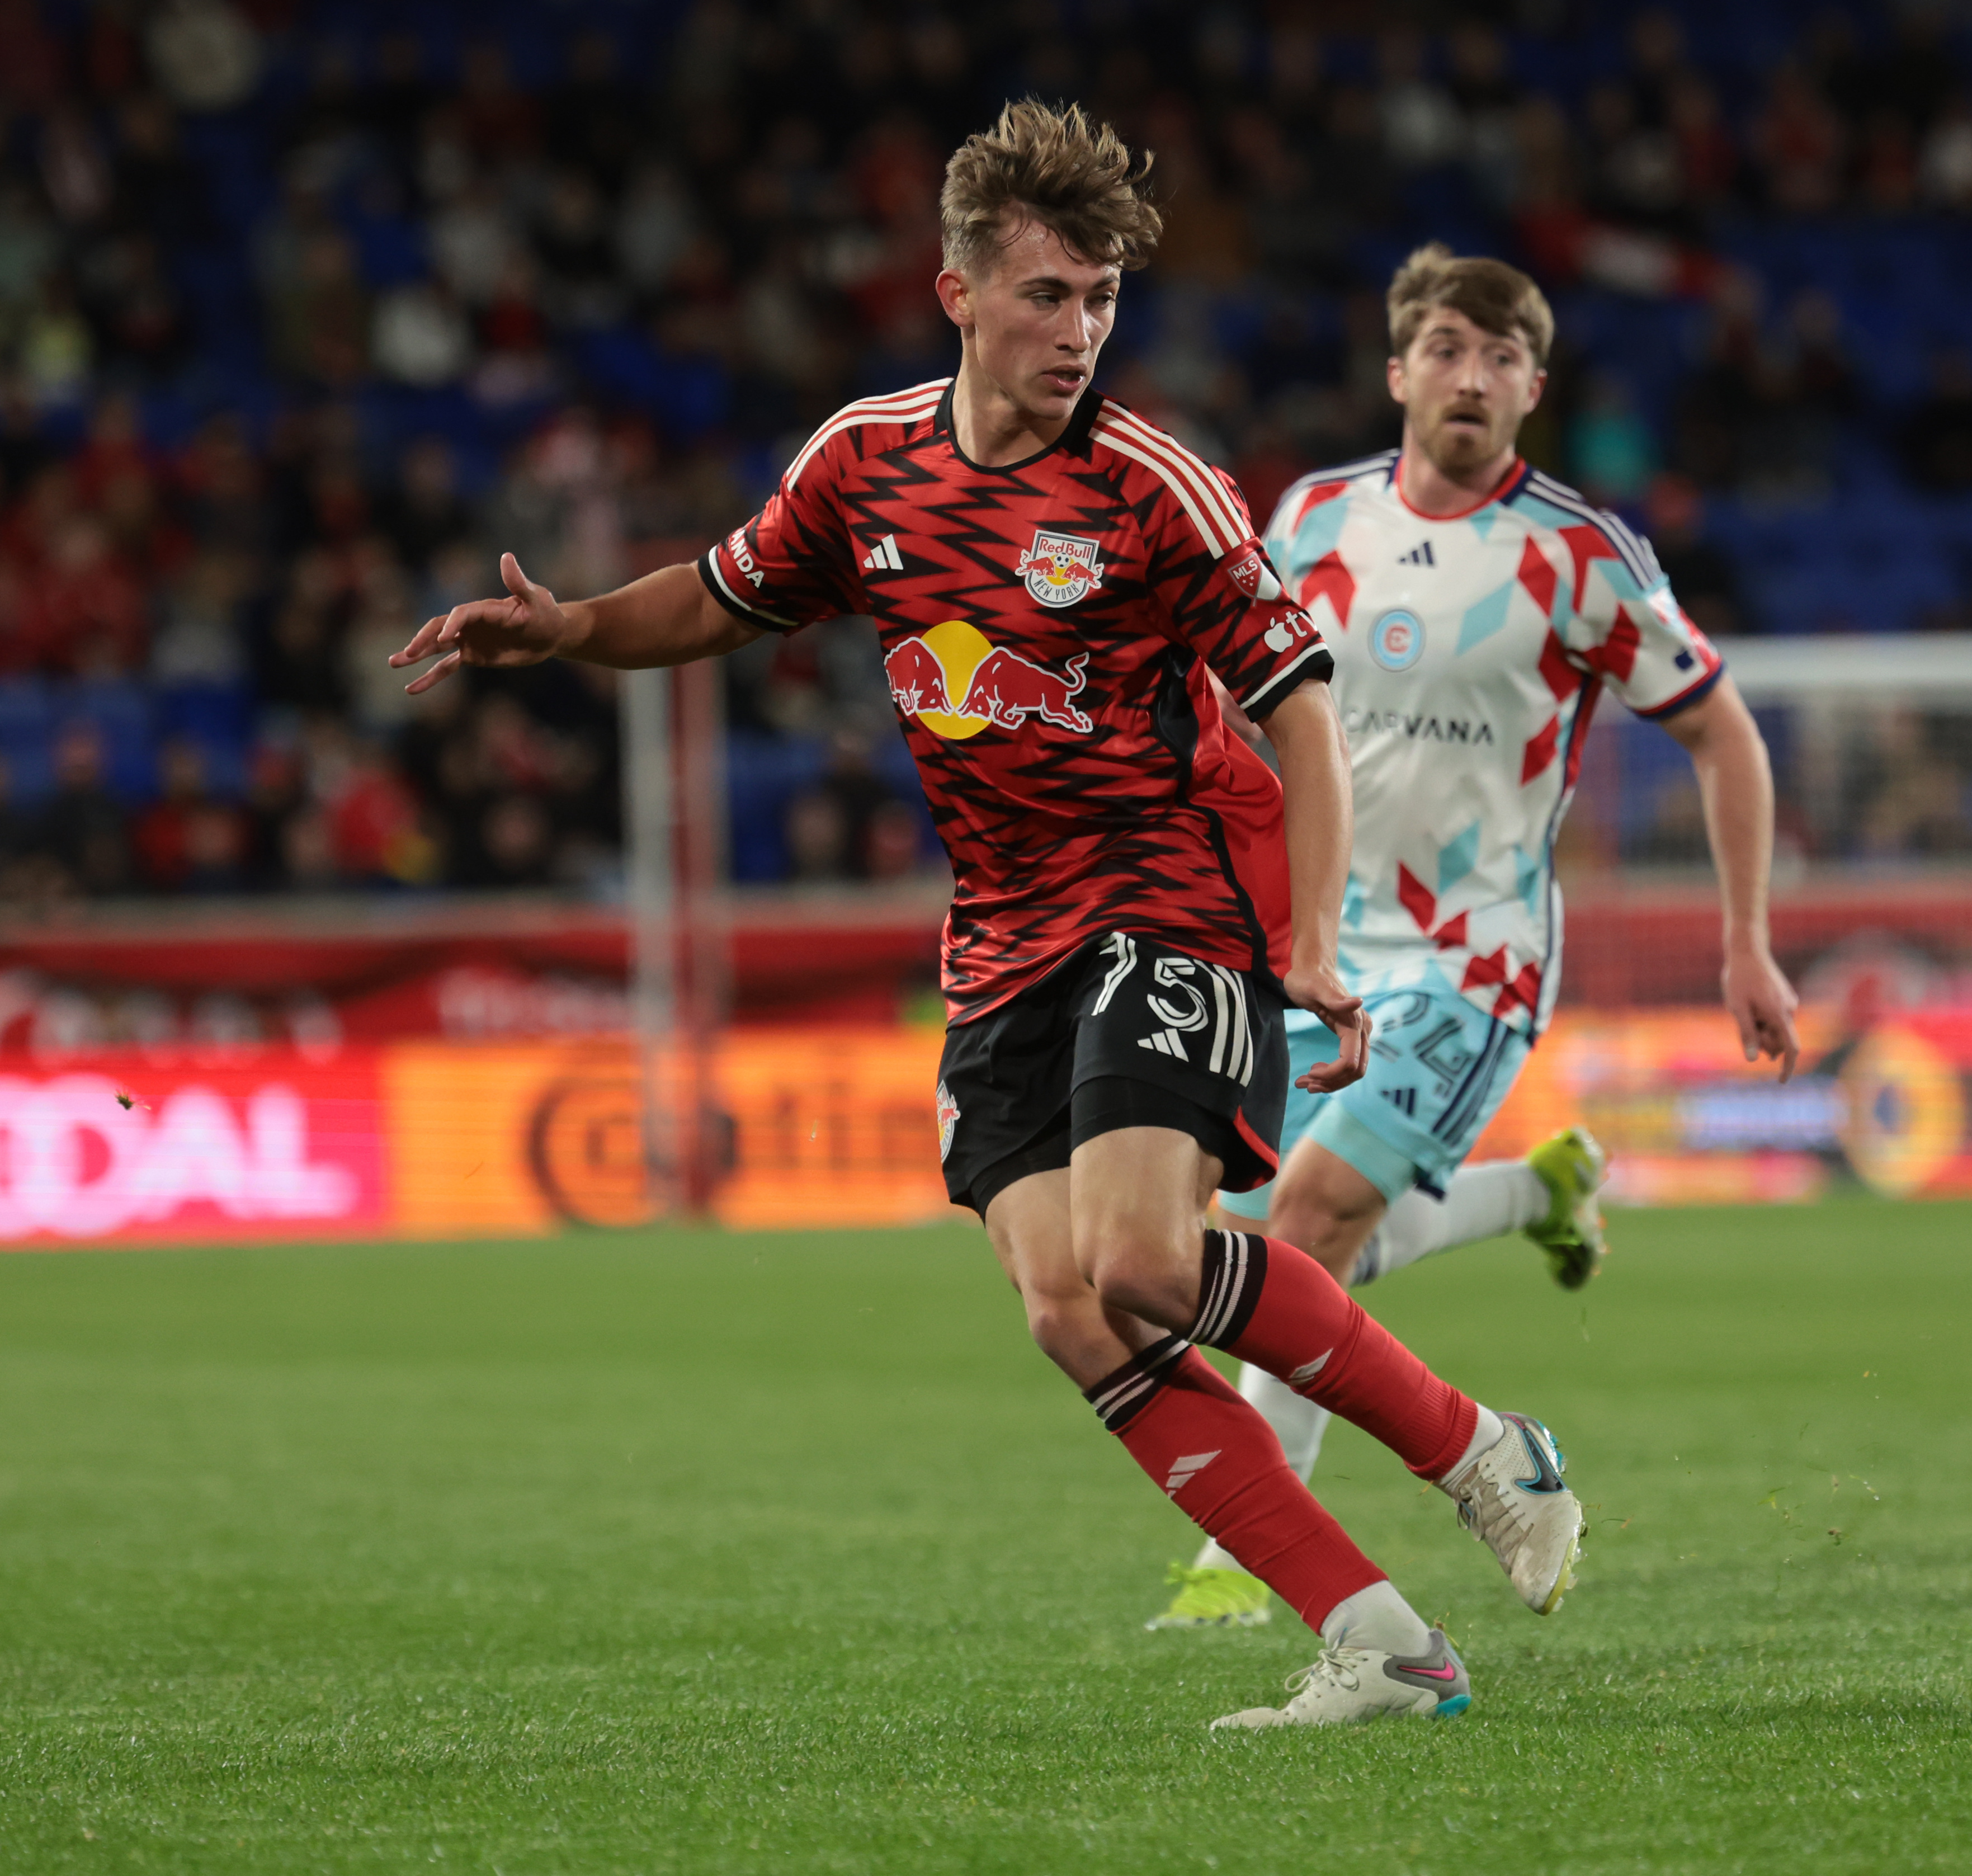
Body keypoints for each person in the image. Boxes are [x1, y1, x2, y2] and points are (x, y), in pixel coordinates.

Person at [389, 102, 1583, 1729]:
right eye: (1046, 297)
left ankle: (1482, 1451)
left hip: (1169, 892)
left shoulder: (1156, 486)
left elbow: (1299, 709)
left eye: (1100, 301)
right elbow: (729, 591)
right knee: (1065, 1306)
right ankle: (1381, 1641)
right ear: (958, 292)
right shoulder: (864, 466)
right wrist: (577, 627)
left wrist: (1305, 938)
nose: (1079, 333)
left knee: (1147, 1260)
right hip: (1003, 933)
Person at [1149, 246, 1798, 1631]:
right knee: (1228, 1231)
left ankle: (1244, 1563)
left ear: (1532, 390)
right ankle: (1537, 1192)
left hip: (1474, 956)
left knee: (1310, 1226)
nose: (1470, 375)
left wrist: (1744, 940)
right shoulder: (1312, 518)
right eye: (1445, 347)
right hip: (1316, 941)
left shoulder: (1579, 556)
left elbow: (1721, 735)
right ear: (1397, 372)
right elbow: (1231, 699)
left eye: (1501, 358)